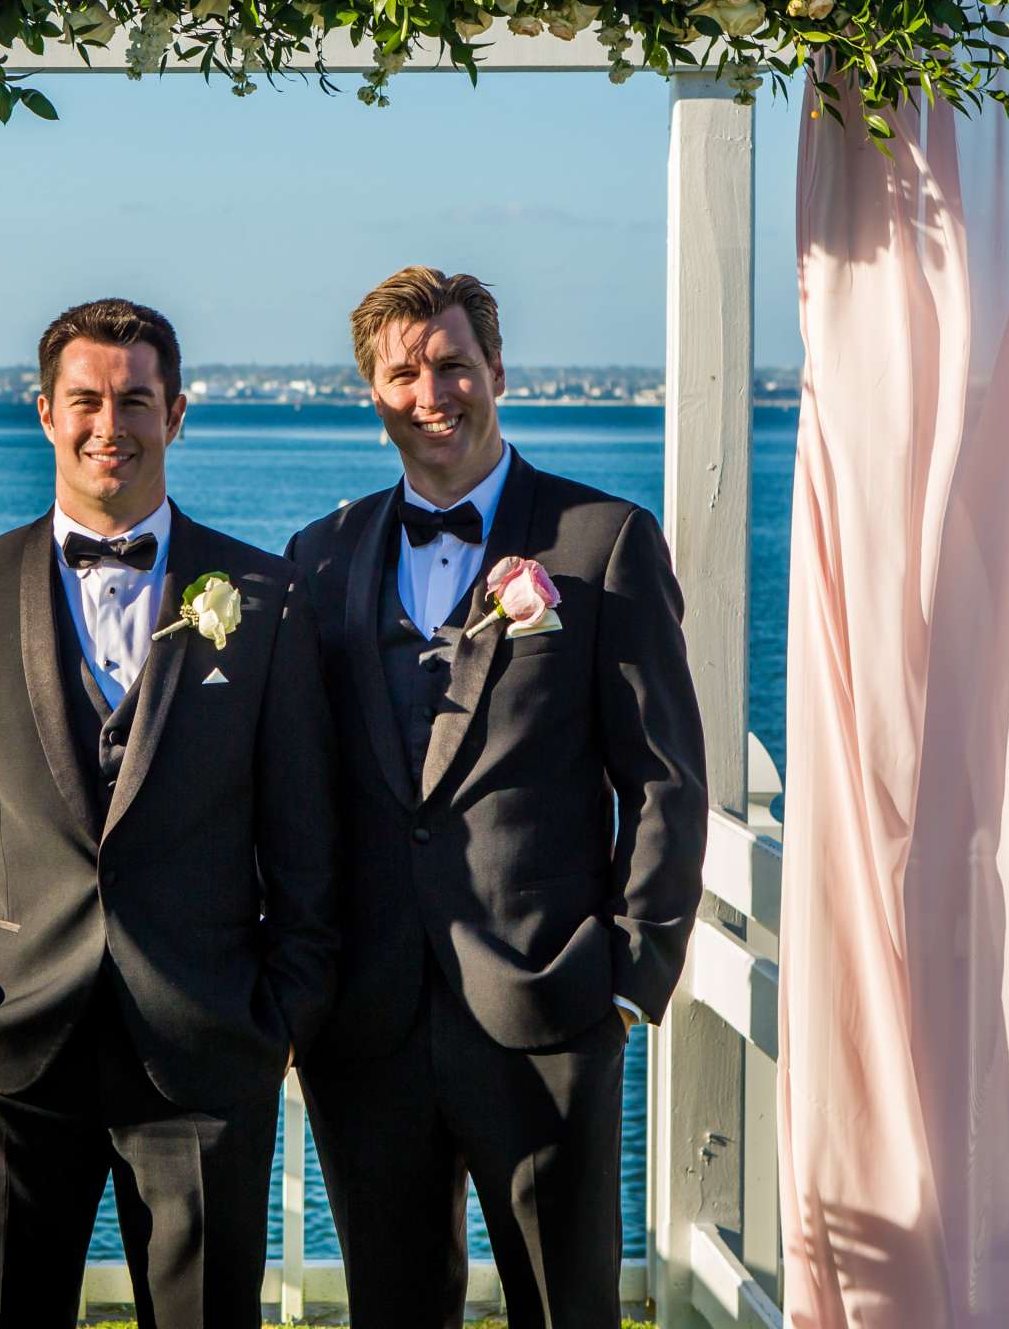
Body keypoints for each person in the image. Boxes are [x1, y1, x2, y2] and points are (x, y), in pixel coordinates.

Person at [0, 297, 338, 1328]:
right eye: (85, 399)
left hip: (205, 1047)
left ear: (177, 412)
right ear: (44, 412)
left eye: (136, 399)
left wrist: (282, 1011)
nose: (109, 423)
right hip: (4, 1044)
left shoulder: (264, 598)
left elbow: (304, 838)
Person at [286, 266, 709, 1329]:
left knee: (565, 1309)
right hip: (366, 1023)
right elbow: (293, 786)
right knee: (392, 1307)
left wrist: (627, 975)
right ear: (373, 393)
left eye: (454, 365)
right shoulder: (321, 556)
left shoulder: (601, 541)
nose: (433, 391)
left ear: (498, 372)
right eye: (405, 372)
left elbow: (664, 777)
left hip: (549, 1009)